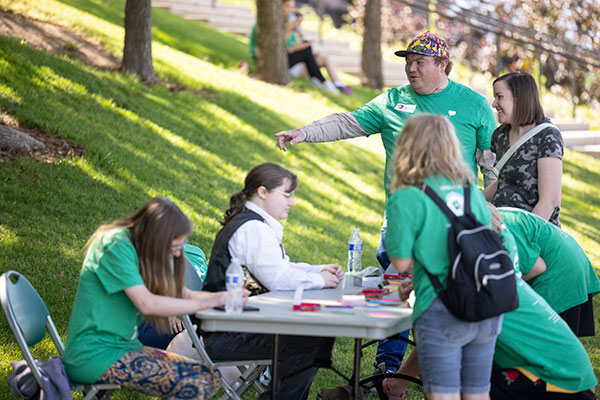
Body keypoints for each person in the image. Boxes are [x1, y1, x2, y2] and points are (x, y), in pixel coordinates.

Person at [275, 30, 498, 374]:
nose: (411, 69)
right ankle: (389, 370)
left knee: (433, 298)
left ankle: (421, 369)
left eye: (419, 62)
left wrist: (484, 209)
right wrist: (306, 132)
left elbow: (491, 166)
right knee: (398, 293)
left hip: (454, 227)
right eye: (408, 62)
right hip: (401, 221)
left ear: (442, 65)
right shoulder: (392, 100)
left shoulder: (474, 105)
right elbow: (348, 122)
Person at [382, 205, 598, 400]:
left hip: (562, 387)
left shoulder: (458, 291)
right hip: (574, 381)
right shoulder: (483, 276)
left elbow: (438, 379)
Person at [384, 114, 502, 400]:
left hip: (440, 306)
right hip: (484, 303)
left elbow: (400, 263)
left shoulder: (406, 196)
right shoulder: (471, 192)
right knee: (477, 394)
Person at [63, 197, 229, 399]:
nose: (178, 255)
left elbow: (181, 293)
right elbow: (147, 303)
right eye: (174, 248)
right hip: (94, 354)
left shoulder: (138, 247)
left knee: (208, 376)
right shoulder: (115, 245)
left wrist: (219, 298)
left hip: (123, 348)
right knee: (194, 382)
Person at [202, 162, 343, 400]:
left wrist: (319, 270)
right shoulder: (253, 228)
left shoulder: (254, 224)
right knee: (313, 341)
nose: (292, 202)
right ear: (263, 192)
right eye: (287, 195)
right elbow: (279, 279)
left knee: (314, 336)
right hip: (227, 334)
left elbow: (281, 266)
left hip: (233, 326)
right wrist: (319, 280)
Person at [498, 206, 600, 337]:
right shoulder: (502, 215)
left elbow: (537, 267)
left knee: (543, 340)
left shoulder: (503, 229)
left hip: (563, 273)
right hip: (573, 261)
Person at [483, 71, 563, 227]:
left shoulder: (547, 136)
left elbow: (549, 201)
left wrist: (525, 238)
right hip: (503, 227)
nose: (494, 104)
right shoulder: (500, 135)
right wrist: (471, 196)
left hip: (533, 235)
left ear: (519, 98)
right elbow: (505, 183)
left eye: (499, 97)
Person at [249, 0, 340, 93]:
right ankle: (322, 81)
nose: (291, 10)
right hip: (266, 59)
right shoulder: (271, 25)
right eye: (288, 7)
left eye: (292, 7)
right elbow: (278, 49)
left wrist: (296, 30)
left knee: (308, 51)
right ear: (279, 7)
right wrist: (289, 30)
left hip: (280, 59)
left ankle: (320, 80)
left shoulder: (283, 25)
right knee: (307, 50)